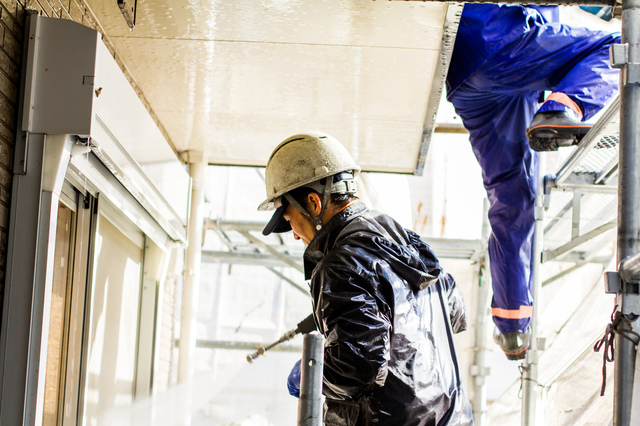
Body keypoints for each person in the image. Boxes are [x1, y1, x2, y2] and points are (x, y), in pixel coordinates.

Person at [258, 132, 473, 425]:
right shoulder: (403, 240)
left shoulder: (341, 264)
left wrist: (313, 371)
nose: (294, 233)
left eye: (290, 219)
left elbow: (356, 367)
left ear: (313, 202)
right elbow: (454, 313)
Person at [447, 4, 620, 360]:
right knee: (622, 44)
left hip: (469, 78)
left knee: (513, 202)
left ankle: (512, 326)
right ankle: (564, 105)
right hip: (499, 42)